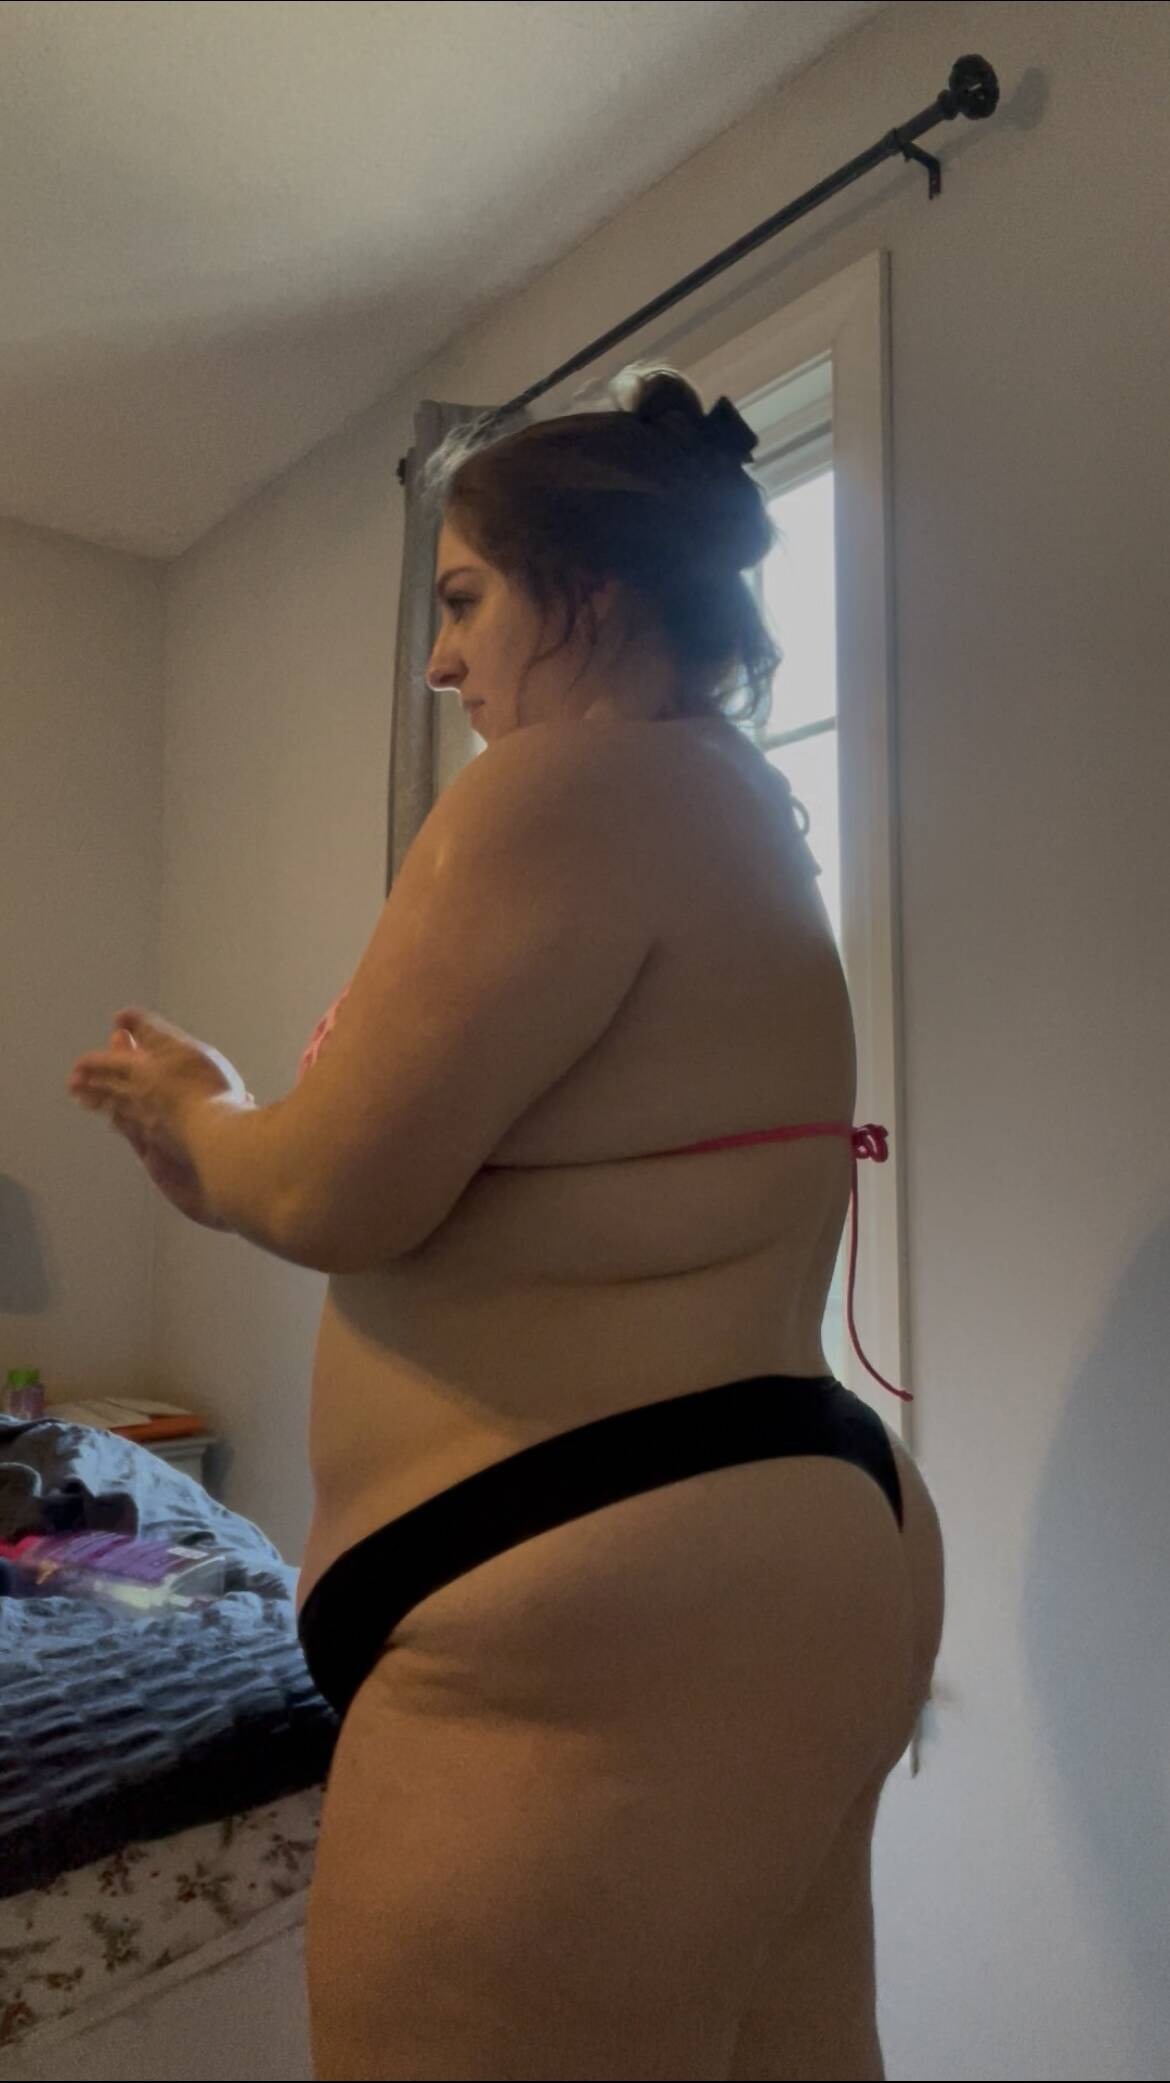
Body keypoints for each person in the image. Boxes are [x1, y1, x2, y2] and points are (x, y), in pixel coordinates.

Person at [73, 363, 945, 2080]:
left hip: (603, 1574)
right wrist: (233, 1145)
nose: (441, 661)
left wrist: (199, 1111)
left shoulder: (570, 784)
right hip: (787, 1540)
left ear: (590, 595)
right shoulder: (739, 816)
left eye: (466, 599)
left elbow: (330, 1188)